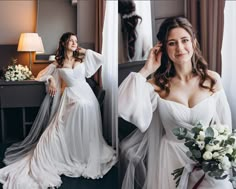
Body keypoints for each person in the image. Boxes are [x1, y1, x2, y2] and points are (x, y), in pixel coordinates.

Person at [118, 17, 233, 189]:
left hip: (208, 161)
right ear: (163, 48)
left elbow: (225, 126)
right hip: (171, 162)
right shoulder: (155, 85)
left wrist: (218, 157)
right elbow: (125, 107)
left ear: (193, 43)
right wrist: (147, 69)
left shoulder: (212, 79)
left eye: (184, 40)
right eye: (172, 43)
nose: (180, 48)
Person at [0, 32, 117, 189]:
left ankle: (84, 151)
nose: (75, 43)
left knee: (85, 105)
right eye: (71, 41)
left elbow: (101, 59)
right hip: (71, 95)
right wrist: (51, 79)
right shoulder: (58, 63)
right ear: (64, 43)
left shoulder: (82, 58)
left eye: (76, 41)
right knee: (78, 107)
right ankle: (73, 151)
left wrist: (85, 51)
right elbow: (40, 75)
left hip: (86, 94)